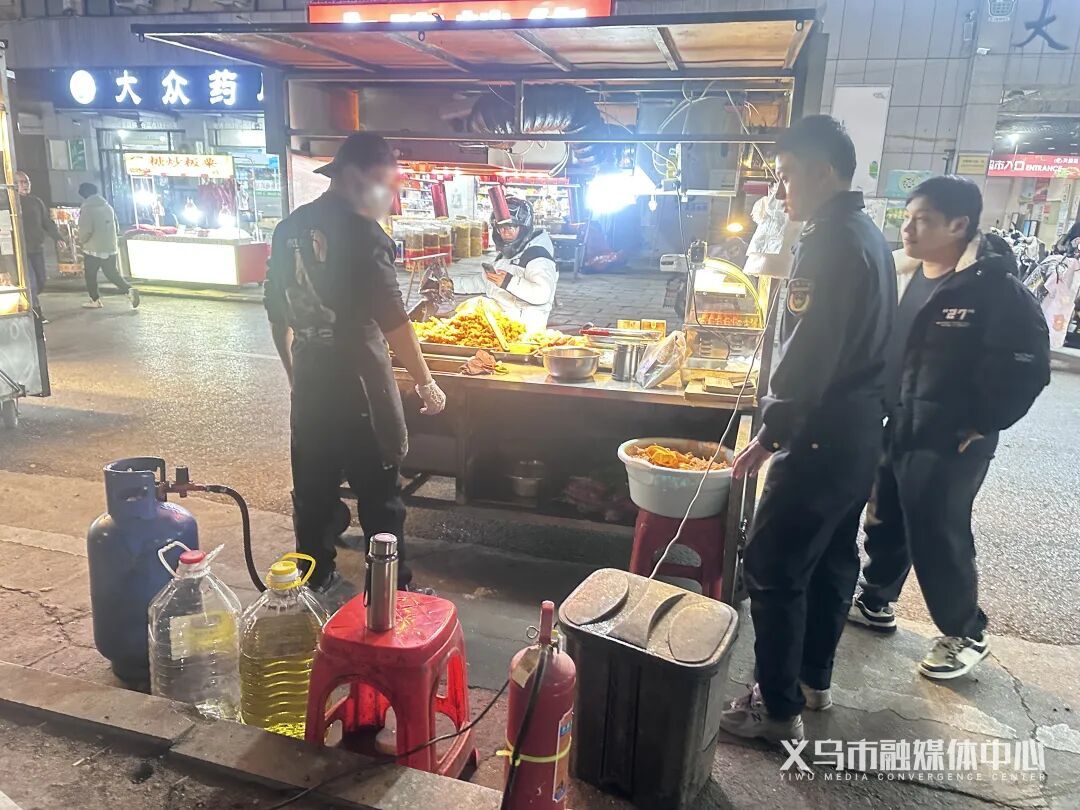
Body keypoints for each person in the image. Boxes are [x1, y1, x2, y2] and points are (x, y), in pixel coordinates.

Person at [718, 116, 896, 742]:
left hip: (818, 436)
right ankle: (813, 681)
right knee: (830, 561)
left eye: (788, 175)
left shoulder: (827, 242)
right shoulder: (868, 235)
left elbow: (809, 351)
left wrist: (771, 434)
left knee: (773, 565)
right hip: (856, 435)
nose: (781, 189)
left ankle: (775, 709)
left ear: (822, 172)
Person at [849, 176, 1050, 679]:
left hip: (952, 437)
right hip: (898, 421)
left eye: (923, 220)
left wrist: (985, 421)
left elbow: (1027, 365)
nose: (908, 229)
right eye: (907, 217)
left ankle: (966, 632)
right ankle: (876, 600)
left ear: (959, 225)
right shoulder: (904, 272)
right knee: (885, 516)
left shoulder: (994, 290)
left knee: (937, 532)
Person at [265, 132, 445, 609]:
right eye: (382, 183)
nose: (385, 194)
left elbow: (277, 316)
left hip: (311, 375)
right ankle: (391, 589)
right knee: (380, 495)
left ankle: (315, 578)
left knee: (313, 487)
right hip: (363, 382)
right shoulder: (365, 234)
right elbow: (394, 321)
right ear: (355, 177)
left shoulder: (288, 228)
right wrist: (426, 382)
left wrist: (295, 376)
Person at [482, 197, 558, 332]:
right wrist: (452, 284)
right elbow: (484, 281)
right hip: (504, 325)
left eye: (511, 227)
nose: (506, 232)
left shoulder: (537, 255)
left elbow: (542, 294)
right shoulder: (507, 255)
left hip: (525, 330)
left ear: (523, 228)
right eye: (501, 227)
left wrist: (508, 282)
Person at [77, 183, 139, 310]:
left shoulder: (87, 209)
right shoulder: (107, 207)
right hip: (110, 246)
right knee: (111, 273)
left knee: (90, 275)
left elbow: (86, 231)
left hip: (93, 249)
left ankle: (95, 300)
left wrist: (81, 241)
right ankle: (129, 290)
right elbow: (116, 226)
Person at [15, 171, 66, 322]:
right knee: (31, 283)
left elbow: (46, 222)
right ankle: (36, 314)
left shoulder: (36, 202)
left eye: (27, 182)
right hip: (21, 250)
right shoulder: (9, 201)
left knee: (41, 281)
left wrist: (58, 237)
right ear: (14, 184)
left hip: (37, 248)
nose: (25, 185)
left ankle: (27, 302)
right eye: (21, 182)